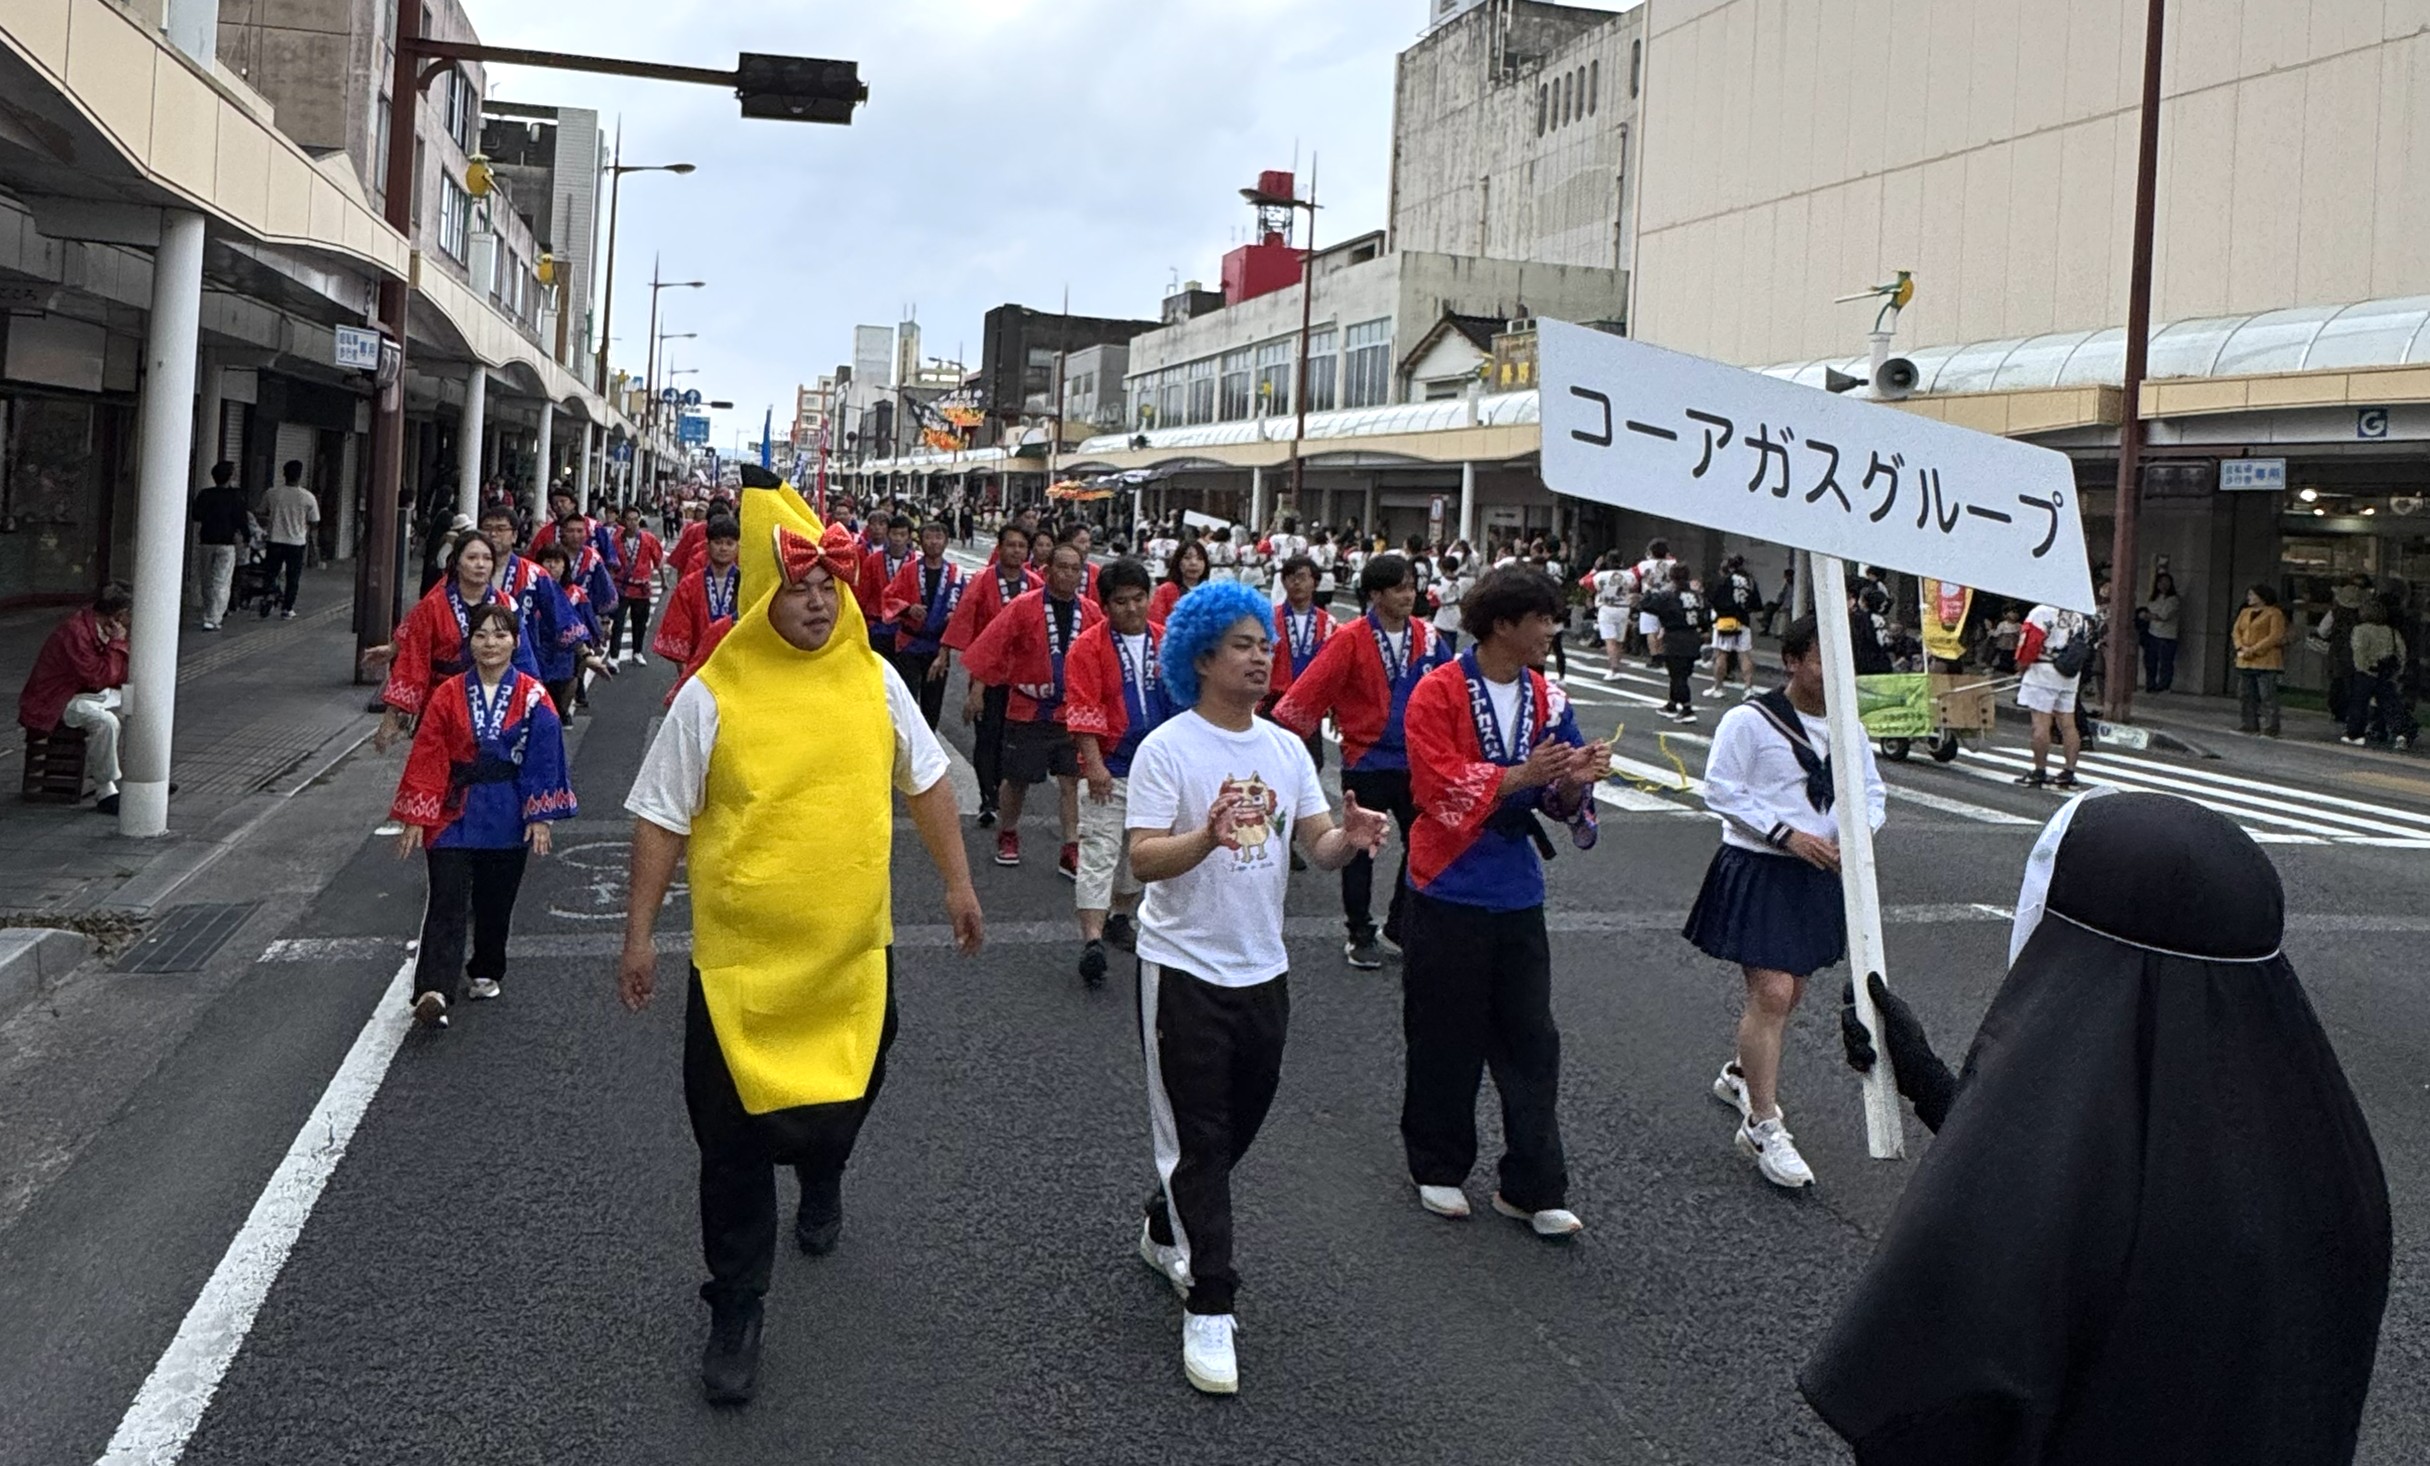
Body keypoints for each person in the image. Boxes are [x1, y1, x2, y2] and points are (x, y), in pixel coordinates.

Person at [1807, 792, 2389, 1465]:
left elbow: (1931, 1391)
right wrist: (1928, 1079)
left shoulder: (2044, 1206)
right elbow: (2095, 1177)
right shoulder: (2327, 1151)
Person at [619, 480, 983, 1406]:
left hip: (852, 950)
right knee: (731, 1139)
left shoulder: (875, 678)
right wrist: (639, 937)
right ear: (759, 597)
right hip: (740, 964)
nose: (819, 603)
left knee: (856, 1078)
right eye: (799, 588)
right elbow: (662, 818)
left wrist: (957, 883)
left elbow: (929, 779)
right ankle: (736, 1303)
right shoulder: (712, 696)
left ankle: (823, 1169)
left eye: (830, 586)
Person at [1124, 580, 1389, 1396]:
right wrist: (1206, 835)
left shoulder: (1282, 749)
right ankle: (1209, 1301)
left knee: (1240, 1122)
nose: (1261, 655)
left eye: (1264, 642)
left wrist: (1355, 836)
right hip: (1182, 967)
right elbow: (1141, 859)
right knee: (1201, 1137)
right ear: (1201, 657)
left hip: (1262, 967)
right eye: (1243, 644)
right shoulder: (1169, 748)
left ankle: (1168, 1217)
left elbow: (1317, 845)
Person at [1399, 568, 1608, 1236]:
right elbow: (1435, 786)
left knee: (1532, 1038)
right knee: (1444, 1033)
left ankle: (1533, 1183)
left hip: (1516, 884)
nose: (1553, 630)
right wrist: (1523, 774)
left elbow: (1561, 795)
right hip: (1448, 880)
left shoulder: (1548, 696)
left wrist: (1574, 783)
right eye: (1542, 618)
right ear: (1502, 625)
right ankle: (1437, 1164)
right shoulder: (1437, 691)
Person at [1684, 616, 1885, 1190]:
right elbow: (1720, 788)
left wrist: (1855, 834)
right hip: (1762, 866)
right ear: (1793, 660)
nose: (1834, 674)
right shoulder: (1749, 720)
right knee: (1771, 991)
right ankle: (1763, 1122)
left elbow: (1871, 792)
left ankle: (1742, 1073)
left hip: (1818, 872)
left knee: (1792, 991)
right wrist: (1785, 835)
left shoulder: (1850, 728)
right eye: (1823, 659)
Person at [390, 601, 575, 1028]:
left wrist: (540, 814)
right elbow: (429, 754)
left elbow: (543, 756)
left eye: (500, 635)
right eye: (481, 635)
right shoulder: (448, 693)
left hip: (507, 811)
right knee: (446, 899)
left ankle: (487, 967)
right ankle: (433, 989)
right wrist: (417, 814)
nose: (490, 643)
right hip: (453, 812)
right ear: (469, 642)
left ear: (514, 641)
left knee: (495, 902)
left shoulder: (533, 695)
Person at [1271, 553, 1451, 970]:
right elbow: (1307, 693)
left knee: (1425, 842)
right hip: (1365, 757)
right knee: (1358, 847)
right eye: (1399, 588)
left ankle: (1400, 925)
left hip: (1416, 759)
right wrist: (1278, 747)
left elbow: (1452, 690)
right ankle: (1358, 931)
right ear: (1374, 594)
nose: (1409, 595)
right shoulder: (1350, 638)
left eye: (1412, 586)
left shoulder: (1426, 636)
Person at [1063, 557, 1174, 988]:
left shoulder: (1167, 642)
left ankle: (1120, 915)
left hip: (1158, 768)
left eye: (1138, 598)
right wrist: (1093, 764)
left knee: (1139, 852)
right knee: (1099, 851)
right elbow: (1082, 706)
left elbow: (1185, 698)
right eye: (1121, 601)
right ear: (1105, 606)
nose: (1131, 608)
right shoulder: (1088, 647)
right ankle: (1092, 938)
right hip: (1110, 764)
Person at [962, 541, 1101, 873]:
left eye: (1075, 568)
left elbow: (1100, 660)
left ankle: (1071, 847)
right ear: (1047, 570)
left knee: (1071, 781)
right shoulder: (1023, 607)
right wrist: (977, 690)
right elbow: (992, 646)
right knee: (1017, 779)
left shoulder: (1092, 612)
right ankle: (1008, 833)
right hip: (1027, 708)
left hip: (1071, 712)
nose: (1068, 574)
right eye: (1062, 567)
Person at [374, 532, 540, 753]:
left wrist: (534, 701)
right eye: (472, 558)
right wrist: (393, 715)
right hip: (443, 698)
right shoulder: (433, 606)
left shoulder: (506, 604)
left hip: (495, 697)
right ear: (457, 563)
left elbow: (523, 656)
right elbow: (414, 661)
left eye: (487, 558)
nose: (480, 564)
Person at [942, 522, 1040, 828]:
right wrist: (945, 652)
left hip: (1022, 677)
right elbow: (963, 618)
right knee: (987, 736)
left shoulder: (1036, 584)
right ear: (999, 547)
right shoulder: (984, 581)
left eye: (1021, 546)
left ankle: (1002, 790)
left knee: (1013, 738)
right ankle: (988, 796)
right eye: (1010, 545)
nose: (1015, 551)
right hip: (988, 673)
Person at [17, 582, 133, 814]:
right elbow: (99, 677)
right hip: (55, 700)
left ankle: (139, 778)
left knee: (137, 702)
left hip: (82, 692)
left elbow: (117, 675)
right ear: (120, 614)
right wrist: (118, 644)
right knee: (105, 722)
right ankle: (106, 790)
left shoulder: (99, 627)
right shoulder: (76, 632)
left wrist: (115, 647)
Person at [880, 517, 965, 729]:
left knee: (933, 702)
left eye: (939, 537)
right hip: (910, 643)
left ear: (946, 541)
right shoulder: (909, 570)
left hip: (939, 647)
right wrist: (908, 608)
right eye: (928, 537)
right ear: (921, 541)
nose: (934, 542)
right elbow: (888, 597)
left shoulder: (956, 574)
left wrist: (954, 618)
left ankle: (929, 749)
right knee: (907, 699)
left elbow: (965, 608)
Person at [654, 514, 743, 705]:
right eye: (718, 542)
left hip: (739, 673)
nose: (724, 548)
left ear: (738, 547)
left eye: (729, 543)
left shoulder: (748, 586)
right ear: (708, 545)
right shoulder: (689, 585)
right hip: (699, 673)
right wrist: (687, 679)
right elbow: (679, 633)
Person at [528, 542, 614, 719]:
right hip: (537, 650)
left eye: (557, 561)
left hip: (566, 649)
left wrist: (593, 642)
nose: (552, 566)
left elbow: (587, 618)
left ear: (565, 565)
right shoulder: (530, 592)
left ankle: (562, 712)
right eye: (547, 561)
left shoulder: (575, 593)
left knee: (570, 679)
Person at [2013, 602, 2090, 787]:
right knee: (2068, 724)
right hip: (2069, 672)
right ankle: (2069, 771)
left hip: (2043, 670)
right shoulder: (2080, 615)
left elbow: (2030, 643)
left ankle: (2039, 770)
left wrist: (2021, 668)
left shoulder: (2042, 611)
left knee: (2041, 723)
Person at [1639, 563, 1709, 722]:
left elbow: (1647, 605)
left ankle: (1686, 708)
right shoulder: (1696, 595)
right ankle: (1672, 704)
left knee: (1678, 675)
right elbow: (1705, 615)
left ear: (1671, 577)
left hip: (1675, 638)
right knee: (1680, 673)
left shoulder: (1670, 595)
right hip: (1692, 636)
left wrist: (1649, 588)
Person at [190, 462, 252, 631]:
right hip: (226, 543)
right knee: (222, 581)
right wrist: (247, 537)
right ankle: (214, 617)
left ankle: (208, 613)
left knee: (206, 579)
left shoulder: (205, 494)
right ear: (231, 476)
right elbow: (242, 520)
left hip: (206, 541)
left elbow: (196, 515)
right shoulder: (236, 496)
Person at [2341, 600, 2411, 748]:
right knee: (2390, 704)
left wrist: (2363, 667)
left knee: (2359, 704)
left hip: (2367, 672)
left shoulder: (2360, 630)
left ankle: (2355, 734)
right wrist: (2398, 671)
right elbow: (2401, 652)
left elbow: (2359, 651)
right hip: (2386, 672)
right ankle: (2401, 733)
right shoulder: (2391, 631)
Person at [258, 460, 321, 620]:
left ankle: (268, 597)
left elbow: (261, 512)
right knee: (293, 577)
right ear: (300, 476)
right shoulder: (307, 497)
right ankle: (287, 608)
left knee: (271, 572)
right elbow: (314, 521)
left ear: (283, 473)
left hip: (275, 540)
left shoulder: (272, 493)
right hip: (296, 543)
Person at [610, 505, 666, 664]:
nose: (632, 523)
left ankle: (637, 652)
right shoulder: (615, 541)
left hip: (642, 588)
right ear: (623, 521)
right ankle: (614, 656)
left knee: (640, 623)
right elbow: (610, 565)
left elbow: (658, 561)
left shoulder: (648, 539)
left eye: (635, 519)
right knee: (618, 623)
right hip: (621, 587)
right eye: (629, 519)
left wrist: (663, 581)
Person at [2233, 583, 2292, 738]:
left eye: (2253, 595)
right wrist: (2240, 646)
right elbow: (2236, 631)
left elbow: (2275, 636)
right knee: (2245, 694)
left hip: (2266, 660)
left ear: (2263, 597)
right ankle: (2248, 724)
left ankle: (2270, 727)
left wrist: (2254, 649)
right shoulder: (2245, 612)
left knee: (2267, 695)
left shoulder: (2275, 613)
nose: (2249, 597)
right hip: (2245, 659)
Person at [855, 513, 915, 662]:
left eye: (902, 535)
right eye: (894, 534)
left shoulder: (915, 562)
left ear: (909, 538)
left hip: (904, 627)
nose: (898, 538)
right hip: (877, 625)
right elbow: (862, 594)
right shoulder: (873, 560)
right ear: (888, 534)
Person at [1706, 554, 1761, 699]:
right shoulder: (1749, 580)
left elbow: (1713, 599)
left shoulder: (1724, 579)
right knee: (1745, 655)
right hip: (1743, 620)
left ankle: (1718, 687)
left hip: (1725, 621)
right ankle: (1748, 688)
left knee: (1721, 655)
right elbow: (1756, 603)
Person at [1589, 552, 1634, 675]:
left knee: (1610, 639)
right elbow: (1634, 586)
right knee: (1619, 639)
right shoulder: (1629, 575)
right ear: (1621, 562)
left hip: (1607, 607)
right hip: (1623, 607)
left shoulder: (1600, 575)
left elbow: (1584, 582)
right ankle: (1617, 664)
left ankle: (1614, 668)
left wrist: (1595, 568)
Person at [1149, 540, 1210, 626]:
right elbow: (1156, 625)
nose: (1194, 563)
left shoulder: (1210, 592)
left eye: (1199, 558)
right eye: (1187, 558)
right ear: (1178, 562)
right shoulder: (1165, 590)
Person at [2138, 570, 2180, 693]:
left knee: (2165, 663)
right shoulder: (2153, 598)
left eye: (2167, 582)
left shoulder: (2174, 600)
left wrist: (2148, 615)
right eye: (2161, 582)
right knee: (2150, 662)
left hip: (2167, 636)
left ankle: (2164, 686)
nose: (2163, 585)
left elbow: (2163, 616)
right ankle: (2150, 685)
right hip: (2152, 634)